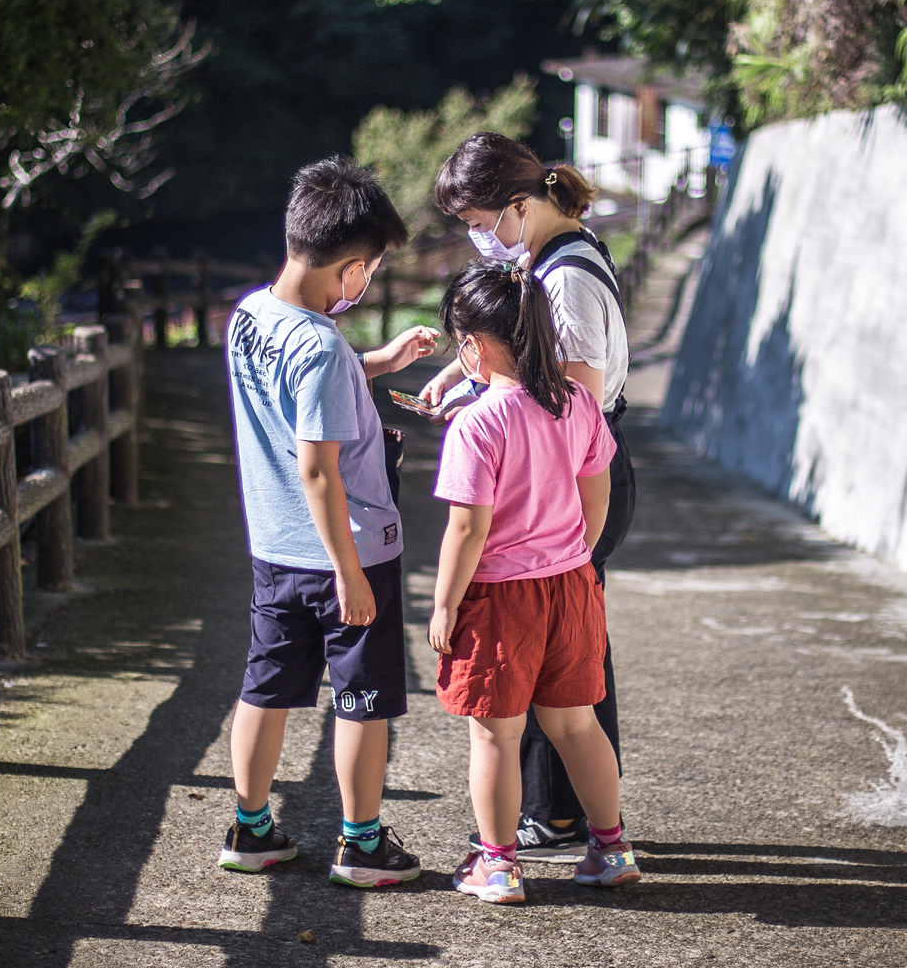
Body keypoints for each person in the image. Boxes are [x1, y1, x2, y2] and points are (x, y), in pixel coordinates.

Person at [219, 156, 440, 888]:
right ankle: (362, 842)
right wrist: (350, 571)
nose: (366, 282)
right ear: (348, 266)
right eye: (369, 269)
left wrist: (378, 360)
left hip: (274, 551)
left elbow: (304, 386)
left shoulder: (253, 314)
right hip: (346, 553)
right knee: (362, 700)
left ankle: (250, 830)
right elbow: (318, 468)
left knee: (266, 689)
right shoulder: (318, 346)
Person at [419, 133, 636, 862]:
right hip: (572, 513)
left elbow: (466, 528)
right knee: (573, 698)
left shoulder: (562, 278)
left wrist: (445, 602)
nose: (477, 235)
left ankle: (509, 850)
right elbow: (560, 396)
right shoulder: (541, 261)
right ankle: (606, 841)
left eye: (479, 219)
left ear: (518, 204)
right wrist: (467, 374)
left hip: (549, 514)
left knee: (501, 724)